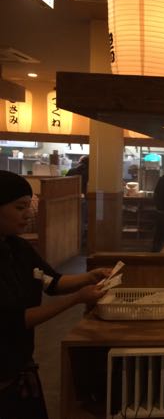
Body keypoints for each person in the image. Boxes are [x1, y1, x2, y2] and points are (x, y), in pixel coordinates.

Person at [0, 170, 110, 419]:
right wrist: (76, 299)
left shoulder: (18, 247)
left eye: (28, 206)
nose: (28, 214)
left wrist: (89, 277)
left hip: (21, 368)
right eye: (19, 208)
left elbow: (50, 281)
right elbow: (15, 320)